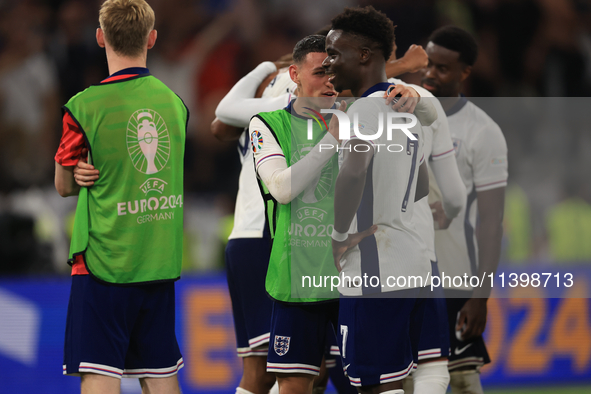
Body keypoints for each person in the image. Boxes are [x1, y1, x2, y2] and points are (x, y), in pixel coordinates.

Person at [210, 31, 434, 394]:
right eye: (318, 73)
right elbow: (281, 189)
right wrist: (333, 139)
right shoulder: (267, 124)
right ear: (294, 77)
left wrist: (414, 94)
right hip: (296, 279)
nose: (329, 81)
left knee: (364, 383)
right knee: (294, 385)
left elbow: (415, 168)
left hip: (350, 278)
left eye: (333, 72)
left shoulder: (361, 115)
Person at [54, 1, 187, 393]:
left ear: (100, 37)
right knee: (161, 377)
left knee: (100, 376)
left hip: (103, 264)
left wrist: (78, 174)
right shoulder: (174, 103)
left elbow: (63, 186)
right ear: (152, 38)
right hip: (158, 260)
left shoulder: (83, 107)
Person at [324, 6, 433, 394]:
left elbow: (353, 173)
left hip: (374, 269)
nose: (328, 62)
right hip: (413, 263)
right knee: (396, 382)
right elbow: (420, 187)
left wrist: (338, 235)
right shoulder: (408, 114)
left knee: (372, 385)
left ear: (365, 55)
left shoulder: (364, 109)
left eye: (335, 53)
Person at [420, 26, 508, 394]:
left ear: (464, 73)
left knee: (461, 380)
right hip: (405, 273)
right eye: (427, 64)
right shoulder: (404, 114)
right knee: (409, 379)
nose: (429, 74)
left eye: (442, 68)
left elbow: (491, 222)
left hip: (455, 275)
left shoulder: (483, 132)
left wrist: (480, 296)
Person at [387, 51, 466, 394]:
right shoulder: (424, 99)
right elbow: (454, 196)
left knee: (379, 372)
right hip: (420, 250)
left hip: (356, 258)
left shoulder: (335, 100)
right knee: (431, 364)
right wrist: (444, 210)